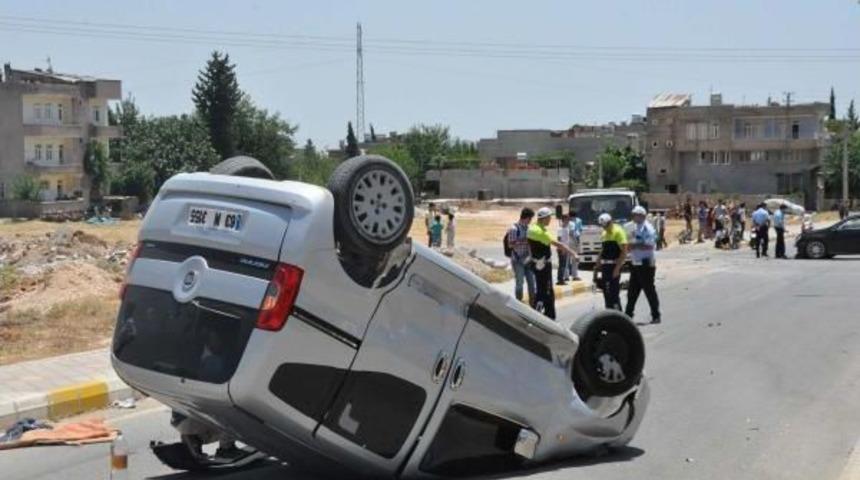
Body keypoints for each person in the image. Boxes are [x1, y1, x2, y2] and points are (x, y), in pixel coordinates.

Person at [527, 207, 578, 320]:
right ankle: (538, 317)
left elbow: (530, 247)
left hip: (537, 263)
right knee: (545, 292)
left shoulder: (533, 228)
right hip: (544, 265)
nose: (550, 219)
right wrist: (573, 253)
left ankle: (549, 317)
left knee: (546, 291)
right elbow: (558, 244)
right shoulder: (540, 232)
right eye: (549, 217)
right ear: (544, 218)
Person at [624, 206, 661, 324]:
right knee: (632, 291)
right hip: (636, 263)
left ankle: (656, 315)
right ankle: (628, 315)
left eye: (636, 214)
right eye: (633, 214)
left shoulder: (647, 228)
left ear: (642, 216)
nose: (634, 216)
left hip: (646, 263)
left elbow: (650, 245)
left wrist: (634, 246)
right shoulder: (633, 227)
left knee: (649, 290)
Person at [594, 213, 627, 311]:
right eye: (603, 226)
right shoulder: (604, 233)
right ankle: (609, 315)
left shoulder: (618, 232)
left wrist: (617, 268)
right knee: (606, 293)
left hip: (614, 266)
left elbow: (624, 251)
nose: (604, 228)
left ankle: (619, 316)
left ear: (611, 222)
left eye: (606, 225)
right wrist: (597, 265)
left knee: (613, 294)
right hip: (605, 266)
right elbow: (603, 250)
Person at [507, 208, 536, 304]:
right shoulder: (514, 229)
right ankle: (519, 304)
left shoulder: (529, 229)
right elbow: (510, 244)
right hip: (518, 260)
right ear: (526, 218)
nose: (530, 221)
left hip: (528, 260)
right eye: (530, 218)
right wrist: (524, 240)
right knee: (519, 284)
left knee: (532, 283)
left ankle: (533, 304)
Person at [556, 213, 571, 285]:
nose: (568, 221)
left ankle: (561, 278)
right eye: (567, 219)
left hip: (566, 248)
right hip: (562, 249)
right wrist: (561, 249)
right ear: (564, 220)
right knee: (562, 265)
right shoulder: (560, 229)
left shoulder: (567, 228)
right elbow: (559, 240)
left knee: (564, 265)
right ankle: (560, 280)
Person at [568, 210, 583, 281]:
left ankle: (570, 275)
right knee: (574, 259)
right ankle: (573, 275)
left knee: (572, 259)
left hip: (572, 240)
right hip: (573, 240)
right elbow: (579, 231)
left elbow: (580, 230)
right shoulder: (571, 222)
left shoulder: (568, 221)